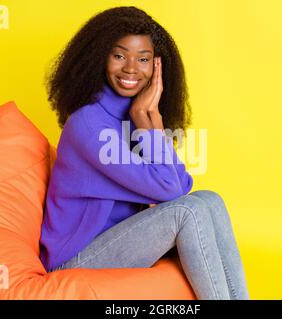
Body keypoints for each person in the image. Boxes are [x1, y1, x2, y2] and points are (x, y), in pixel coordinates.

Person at [40, 6, 249, 300]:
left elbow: (183, 184)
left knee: (209, 200)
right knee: (188, 211)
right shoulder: (89, 125)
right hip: (73, 262)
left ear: (157, 67)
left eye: (143, 59)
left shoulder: (133, 113)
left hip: (114, 244)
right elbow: (172, 191)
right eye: (119, 55)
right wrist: (144, 117)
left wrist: (152, 120)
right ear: (99, 57)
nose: (131, 68)